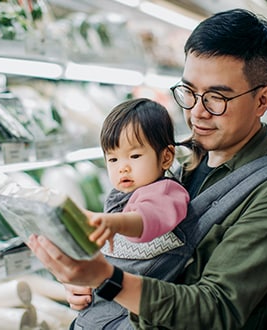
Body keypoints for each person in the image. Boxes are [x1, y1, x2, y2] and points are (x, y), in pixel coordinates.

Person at [28, 8, 267, 329]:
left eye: (216, 98)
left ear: (262, 101)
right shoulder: (177, 160)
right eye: (189, 92)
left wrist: (109, 280)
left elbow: (217, 309)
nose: (197, 112)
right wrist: (89, 284)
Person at [74, 98, 190, 329]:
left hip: (134, 315)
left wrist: (113, 223)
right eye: (113, 159)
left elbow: (146, 219)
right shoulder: (120, 195)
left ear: (166, 157)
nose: (122, 167)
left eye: (134, 156)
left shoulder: (166, 191)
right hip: (107, 305)